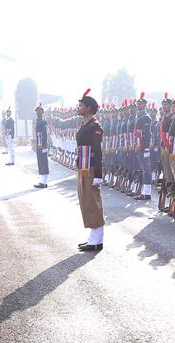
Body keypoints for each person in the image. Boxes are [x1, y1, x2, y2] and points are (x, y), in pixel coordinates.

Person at [75, 89, 105, 251]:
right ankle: (93, 237)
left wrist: (98, 174)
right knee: (86, 202)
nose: (78, 107)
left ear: (88, 108)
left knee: (93, 202)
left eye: (81, 105)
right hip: (83, 167)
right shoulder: (85, 124)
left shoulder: (95, 126)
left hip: (91, 168)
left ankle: (97, 239)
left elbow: (97, 151)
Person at [134, 93, 153, 200]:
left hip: (143, 146)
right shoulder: (139, 116)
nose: (138, 105)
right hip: (139, 146)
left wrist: (144, 147)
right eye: (138, 103)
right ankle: (144, 192)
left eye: (140, 104)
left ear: (145, 105)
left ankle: (147, 193)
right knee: (142, 169)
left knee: (146, 169)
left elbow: (147, 134)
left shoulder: (146, 117)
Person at [34, 105, 50, 188]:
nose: (37, 112)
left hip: (42, 144)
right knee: (40, 161)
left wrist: (43, 145)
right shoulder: (38, 120)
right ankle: (42, 181)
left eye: (39, 111)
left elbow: (45, 134)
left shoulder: (43, 121)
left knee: (43, 161)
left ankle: (43, 182)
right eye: (36, 111)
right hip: (39, 144)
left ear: (42, 112)